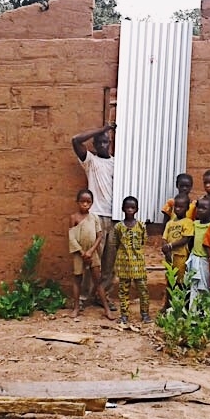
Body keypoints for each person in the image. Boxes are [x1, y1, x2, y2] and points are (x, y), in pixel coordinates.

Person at [72, 123, 117, 310]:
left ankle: (102, 296)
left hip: (114, 217)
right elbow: (75, 140)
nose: (102, 145)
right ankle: (83, 298)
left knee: (109, 262)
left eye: (105, 142)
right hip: (96, 217)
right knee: (91, 261)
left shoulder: (117, 163)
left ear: (110, 143)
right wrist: (104, 128)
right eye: (99, 142)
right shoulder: (90, 161)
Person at [68, 189, 115, 320]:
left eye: (88, 202)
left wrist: (91, 251)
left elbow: (100, 236)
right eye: (82, 201)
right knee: (77, 279)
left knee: (98, 280)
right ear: (77, 202)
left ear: (92, 203)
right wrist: (82, 252)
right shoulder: (74, 218)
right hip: (79, 253)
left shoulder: (94, 217)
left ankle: (106, 309)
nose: (85, 204)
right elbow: (71, 237)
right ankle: (77, 307)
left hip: (92, 253)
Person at [113, 196, 151, 324]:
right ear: (123, 209)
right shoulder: (118, 227)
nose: (130, 210)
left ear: (137, 209)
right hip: (123, 263)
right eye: (127, 207)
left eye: (132, 207)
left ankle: (145, 314)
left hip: (138, 263)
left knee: (143, 289)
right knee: (123, 290)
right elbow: (116, 243)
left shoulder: (141, 226)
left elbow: (143, 241)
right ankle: (124, 315)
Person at [186, 197, 210, 309]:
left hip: (206, 260)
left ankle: (207, 313)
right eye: (199, 207)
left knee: (206, 287)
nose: (200, 210)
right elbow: (191, 241)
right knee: (194, 286)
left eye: (204, 208)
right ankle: (192, 315)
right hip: (195, 259)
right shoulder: (195, 224)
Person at [161, 193, 195, 287]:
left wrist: (170, 246)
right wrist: (166, 249)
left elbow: (185, 239)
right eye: (176, 206)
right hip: (169, 256)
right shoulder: (169, 223)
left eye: (181, 207)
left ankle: (180, 301)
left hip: (181, 256)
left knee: (180, 281)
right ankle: (168, 301)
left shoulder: (188, 222)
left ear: (187, 208)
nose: (178, 209)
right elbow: (164, 238)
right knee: (170, 279)